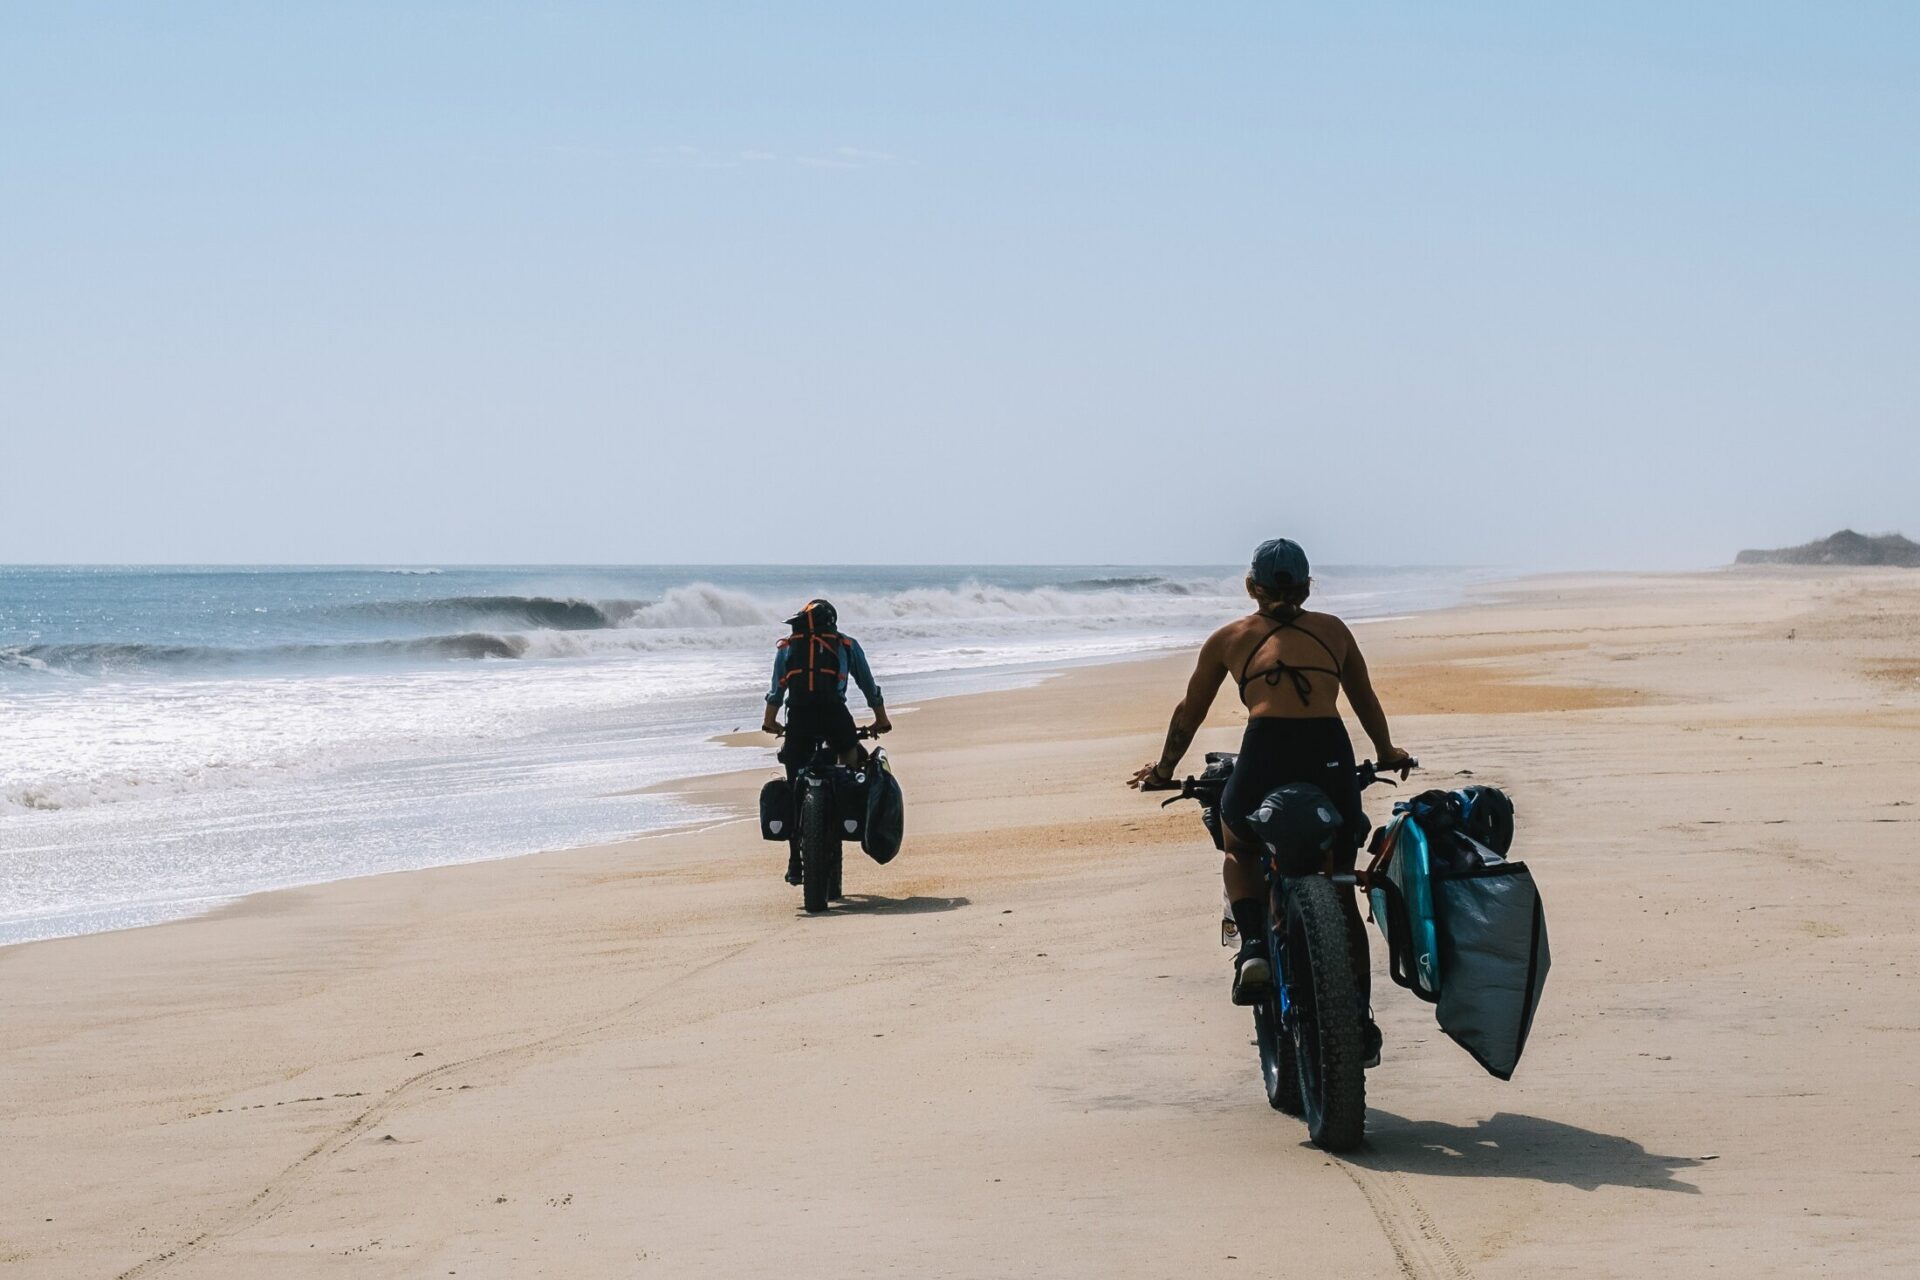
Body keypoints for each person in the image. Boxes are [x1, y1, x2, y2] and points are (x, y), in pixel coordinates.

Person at [1128, 539, 1410, 1062]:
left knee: (1239, 842)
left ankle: (1255, 946)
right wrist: (1387, 751)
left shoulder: (1230, 638)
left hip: (1265, 756)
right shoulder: (1334, 631)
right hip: (1329, 754)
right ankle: (1359, 1019)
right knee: (1342, 882)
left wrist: (1164, 771)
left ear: (1251, 588)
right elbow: (1364, 699)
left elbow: (1189, 711)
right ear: (1306, 587)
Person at [761, 598, 891, 883]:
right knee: (849, 759)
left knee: (795, 780)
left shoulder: (788, 647)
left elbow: (776, 691)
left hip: (799, 720)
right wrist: (881, 719)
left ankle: (796, 859)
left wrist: (771, 722)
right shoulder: (845, 645)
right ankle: (847, 812)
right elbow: (868, 686)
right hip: (835, 717)